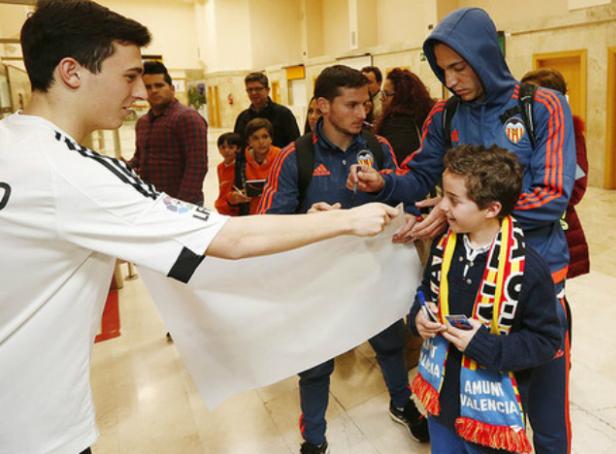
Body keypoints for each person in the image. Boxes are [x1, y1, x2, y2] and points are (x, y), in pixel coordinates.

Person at [0, 2, 399, 453]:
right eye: (128, 76)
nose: (138, 93)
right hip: (34, 427)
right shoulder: (73, 172)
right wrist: (349, 220)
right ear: (72, 72)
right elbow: (229, 239)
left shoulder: (11, 142)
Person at [347, 8, 576, 454]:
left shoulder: (541, 106)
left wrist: (461, 214)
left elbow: (552, 195)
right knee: (470, 400)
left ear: (486, 56)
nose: (451, 80)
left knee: (545, 407)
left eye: (460, 67)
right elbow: (419, 174)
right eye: (442, 70)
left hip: (537, 274)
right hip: (466, 277)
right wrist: (385, 183)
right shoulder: (445, 114)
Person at [258, 64, 429, 454]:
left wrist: (411, 212)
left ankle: (402, 404)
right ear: (322, 105)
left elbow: (401, 194)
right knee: (316, 364)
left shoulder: (378, 147)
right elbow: (265, 225)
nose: (362, 113)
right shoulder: (294, 158)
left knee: (389, 343)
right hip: (319, 282)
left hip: (372, 273)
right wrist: (309, 221)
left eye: (366, 103)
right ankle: (314, 439)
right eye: (351, 105)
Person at [409, 144, 562, 453]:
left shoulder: (528, 269)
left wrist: (481, 344)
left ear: (491, 209)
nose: (442, 207)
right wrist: (419, 317)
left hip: (490, 416)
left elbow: (546, 341)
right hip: (442, 401)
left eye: (453, 200)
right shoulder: (444, 246)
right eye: (444, 195)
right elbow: (424, 292)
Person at [521, 68, 590, 281]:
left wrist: (544, 198)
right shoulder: (519, 129)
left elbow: (576, 188)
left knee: (551, 294)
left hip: (554, 229)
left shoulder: (570, 133)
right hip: (522, 231)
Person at [128, 60, 208, 205]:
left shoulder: (187, 118)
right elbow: (140, 157)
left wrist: (179, 206)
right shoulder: (143, 123)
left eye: (159, 85)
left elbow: (196, 166)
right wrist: (124, 165)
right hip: (152, 202)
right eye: (148, 87)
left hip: (180, 204)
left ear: (171, 88)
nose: (153, 90)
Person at [375, 67, 436, 165]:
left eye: (386, 94)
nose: (382, 99)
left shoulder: (394, 124)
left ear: (401, 96)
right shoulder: (428, 115)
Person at [233, 72, 300, 148]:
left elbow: (295, 144)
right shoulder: (242, 118)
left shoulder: (283, 114)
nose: (253, 93)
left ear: (267, 90)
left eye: (258, 89)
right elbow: (237, 147)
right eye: (250, 90)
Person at [231, 118, 280, 215]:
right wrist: (234, 197)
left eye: (265, 137)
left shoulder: (281, 157)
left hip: (276, 214)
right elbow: (229, 192)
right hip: (249, 216)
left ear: (271, 139)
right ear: (249, 141)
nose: (261, 142)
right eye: (255, 138)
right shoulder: (241, 161)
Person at [214, 131, 242, 215]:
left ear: (238, 149)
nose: (226, 150)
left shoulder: (240, 167)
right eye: (223, 147)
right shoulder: (220, 167)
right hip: (222, 209)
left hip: (235, 210)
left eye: (231, 147)